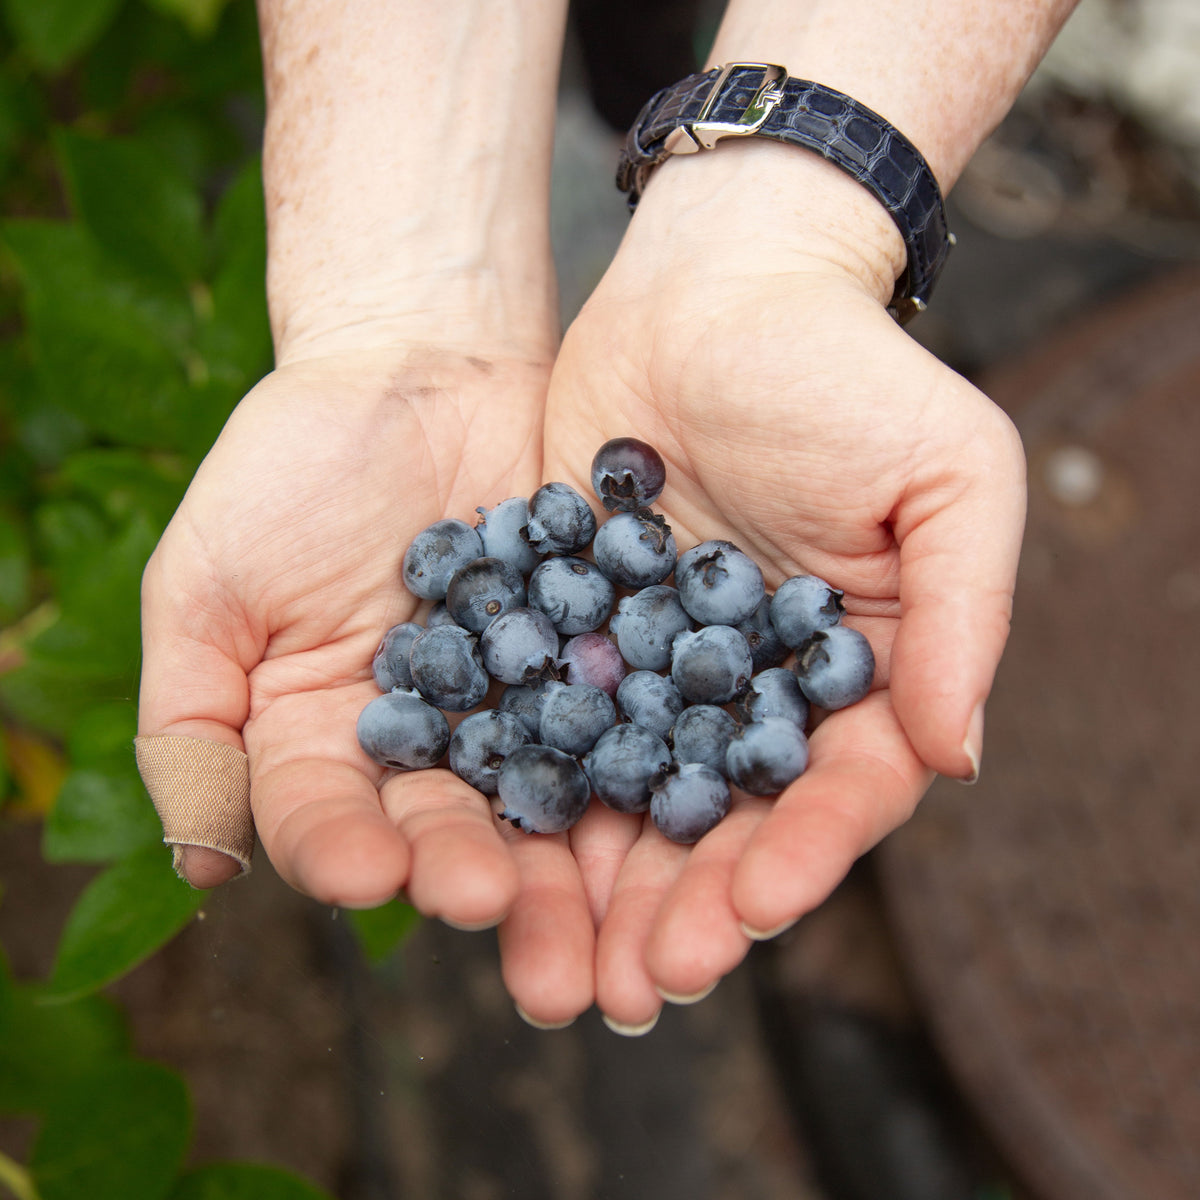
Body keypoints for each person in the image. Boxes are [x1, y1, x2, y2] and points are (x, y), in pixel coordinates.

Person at [136, 0, 1079, 1034]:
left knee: (645, 37)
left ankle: (659, 116)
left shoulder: (639, 637)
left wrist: (778, 234)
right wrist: (394, 314)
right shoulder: (552, 634)